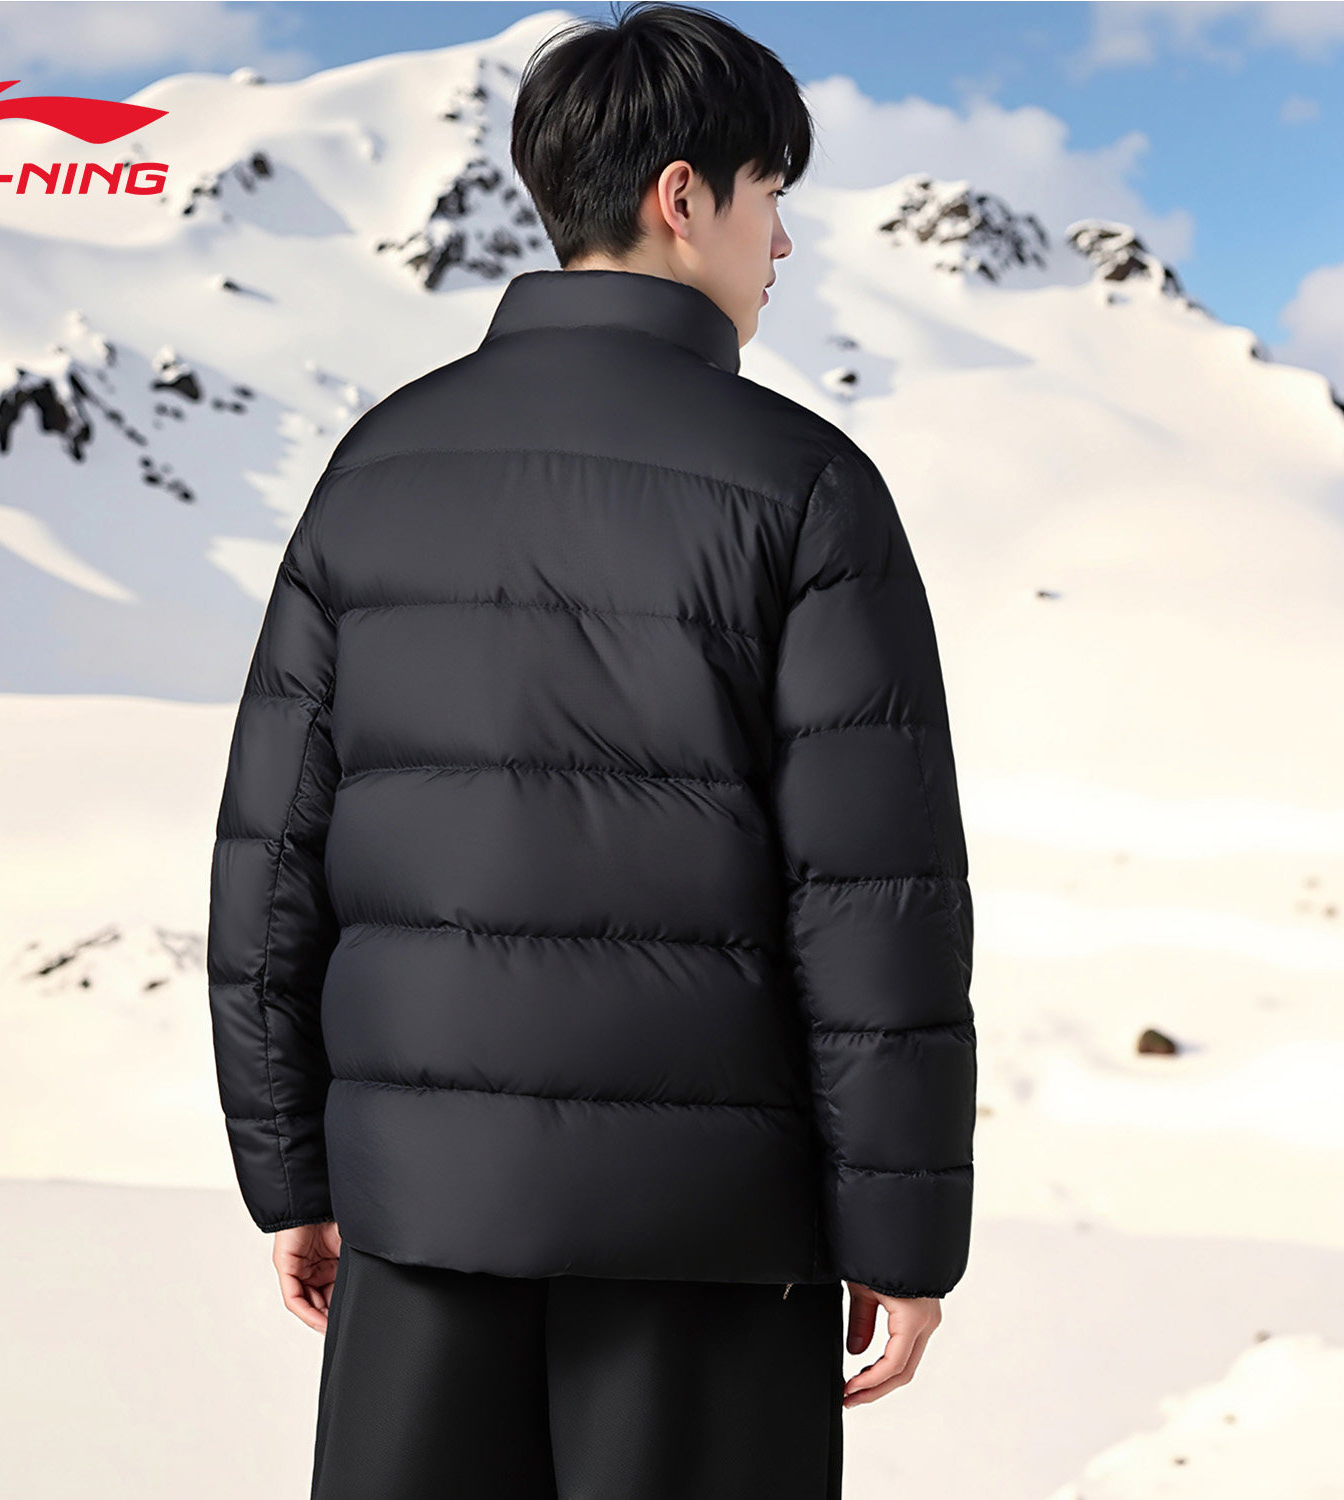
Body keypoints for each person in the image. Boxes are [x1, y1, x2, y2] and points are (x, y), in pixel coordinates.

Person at [205, 5, 976, 1496]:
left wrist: (290, 1170)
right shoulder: (806, 486)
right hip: (712, 1247)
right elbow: (873, 898)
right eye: (771, 196)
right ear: (683, 197)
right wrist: (902, 1236)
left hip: (419, 1225)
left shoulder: (377, 464)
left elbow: (271, 859)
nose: (783, 243)